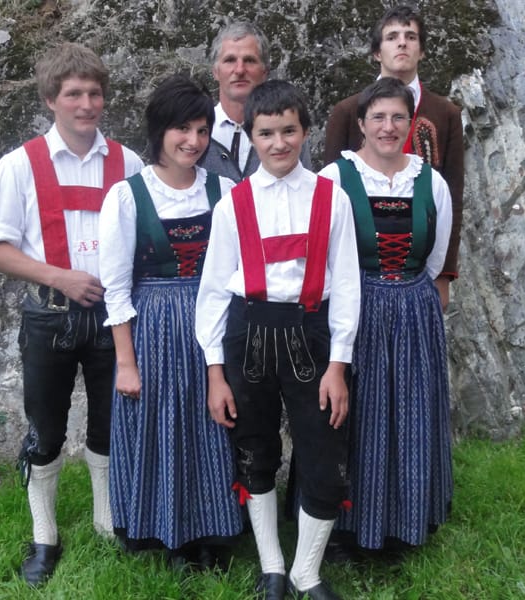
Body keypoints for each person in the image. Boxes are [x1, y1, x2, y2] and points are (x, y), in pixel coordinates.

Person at [0, 42, 144, 586]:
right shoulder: (19, 165)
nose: (86, 104)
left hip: (113, 318)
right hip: (49, 316)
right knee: (45, 429)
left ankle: (106, 520)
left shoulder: (128, 163)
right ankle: (44, 535)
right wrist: (59, 276)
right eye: (73, 94)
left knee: (111, 424)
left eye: (94, 93)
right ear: (51, 99)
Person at [196, 80, 361, 600]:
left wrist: (338, 364)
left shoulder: (332, 199)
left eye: (289, 131)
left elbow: (348, 285)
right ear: (251, 137)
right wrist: (215, 371)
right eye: (266, 133)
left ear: (305, 132)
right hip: (249, 335)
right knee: (254, 450)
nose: (279, 143)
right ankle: (272, 567)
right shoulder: (233, 204)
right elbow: (213, 291)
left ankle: (306, 572)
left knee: (325, 451)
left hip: (312, 335)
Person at [98, 74, 242, 569]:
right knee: (165, 428)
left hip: (213, 322)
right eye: (183, 129)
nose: (193, 141)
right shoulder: (127, 196)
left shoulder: (225, 190)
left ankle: (215, 531)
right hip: (155, 328)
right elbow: (117, 286)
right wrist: (126, 362)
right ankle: (172, 534)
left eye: (202, 130)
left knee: (212, 425)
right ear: (159, 129)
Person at [318, 77, 453, 554]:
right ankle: (346, 526)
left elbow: (435, 258)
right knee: (356, 416)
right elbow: (325, 256)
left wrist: (407, 295)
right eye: (378, 117)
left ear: (410, 123)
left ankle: (406, 521)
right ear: (361, 124)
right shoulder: (335, 179)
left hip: (413, 309)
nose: (388, 127)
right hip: (357, 307)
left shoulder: (431, 182)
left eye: (398, 117)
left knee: (411, 413)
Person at [323, 4, 463, 310]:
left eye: (411, 37)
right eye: (392, 37)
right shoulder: (347, 111)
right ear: (377, 52)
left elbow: (452, 195)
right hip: (359, 267)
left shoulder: (446, 113)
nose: (402, 43)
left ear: (422, 51)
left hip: (418, 263)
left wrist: (444, 275)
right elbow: (330, 197)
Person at [200, 21, 312, 182]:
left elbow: (305, 187)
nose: (239, 70)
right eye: (230, 60)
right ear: (215, 72)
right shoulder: (196, 133)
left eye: (249, 60)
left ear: (265, 71)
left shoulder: (289, 132)